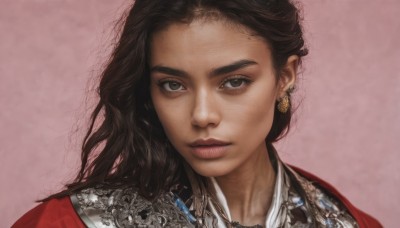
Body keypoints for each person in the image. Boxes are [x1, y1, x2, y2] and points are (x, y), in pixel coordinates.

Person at [13, 0, 382, 227]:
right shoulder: (67, 224)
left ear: (284, 76)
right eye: (173, 85)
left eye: (234, 81)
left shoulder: (350, 224)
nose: (202, 115)